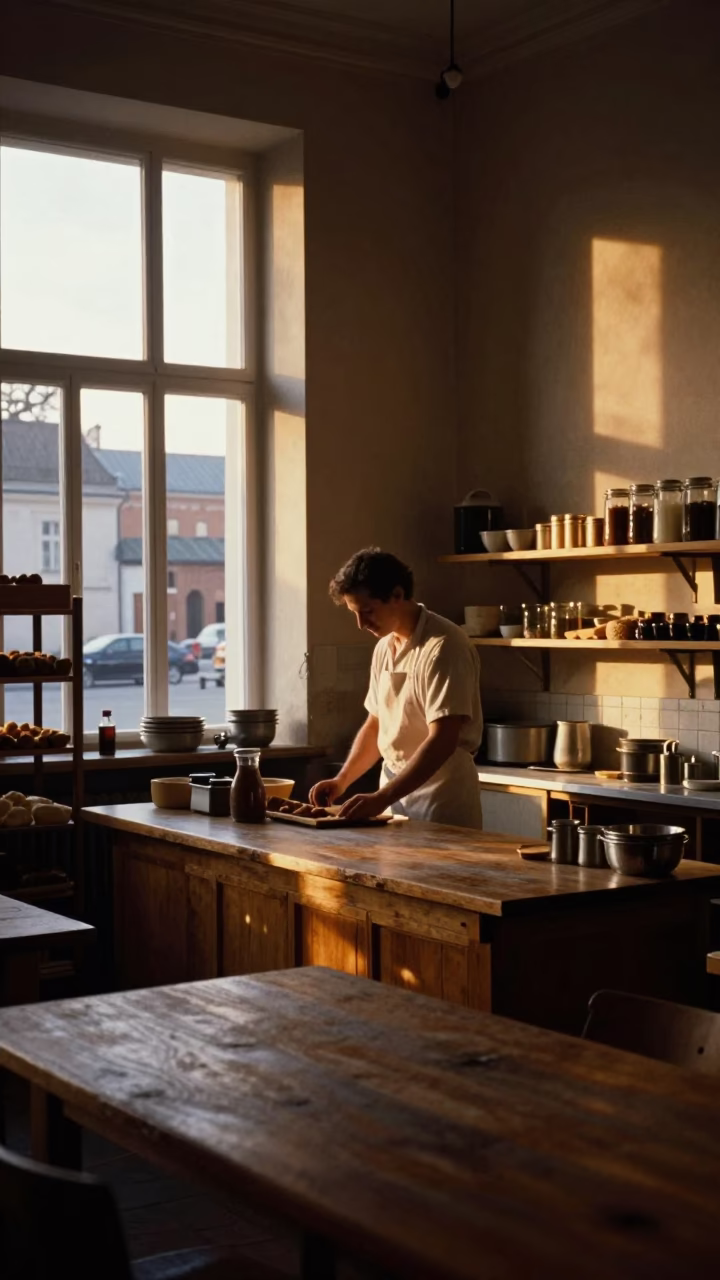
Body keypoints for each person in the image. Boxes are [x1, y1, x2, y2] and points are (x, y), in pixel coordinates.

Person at [309, 547, 483, 828]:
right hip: (393, 793)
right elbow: (376, 724)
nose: (361, 624)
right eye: (354, 613)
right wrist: (342, 781)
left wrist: (381, 797)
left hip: (441, 799)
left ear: (398, 595)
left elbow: (443, 740)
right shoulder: (384, 648)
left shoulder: (444, 646)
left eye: (368, 611)